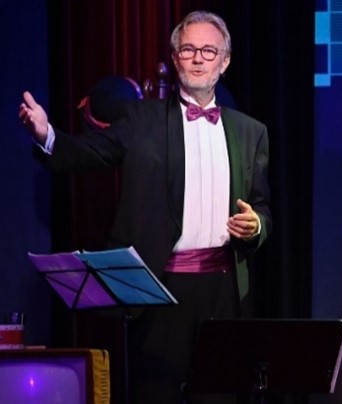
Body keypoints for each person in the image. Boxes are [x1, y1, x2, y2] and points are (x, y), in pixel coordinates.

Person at [19, 10, 271, 404]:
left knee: (219, 396)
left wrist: (256, 226)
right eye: (188, 49)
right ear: (175, 58)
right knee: (155, 394)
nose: (199, 58)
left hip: (223, 291)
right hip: (158, 288)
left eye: (209, 51)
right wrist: (45, 134)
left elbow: (262, 207)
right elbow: (89, 152)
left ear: (224, 62)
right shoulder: (141, 118)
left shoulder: (251, 131)